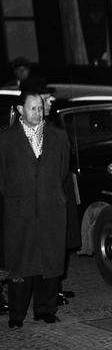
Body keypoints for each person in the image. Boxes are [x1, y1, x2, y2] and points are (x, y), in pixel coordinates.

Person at [0, 91, 70, 329]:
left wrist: (46, 193)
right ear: (20, 110)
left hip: (51, 208)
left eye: (40, 108)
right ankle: (17, 314)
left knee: (49, 261)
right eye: (32, 108)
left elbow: (62, 172)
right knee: (21, 262)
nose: (37, 112)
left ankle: (45, 309)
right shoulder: (6, 139)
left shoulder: (58, 137)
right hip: (19, 211)